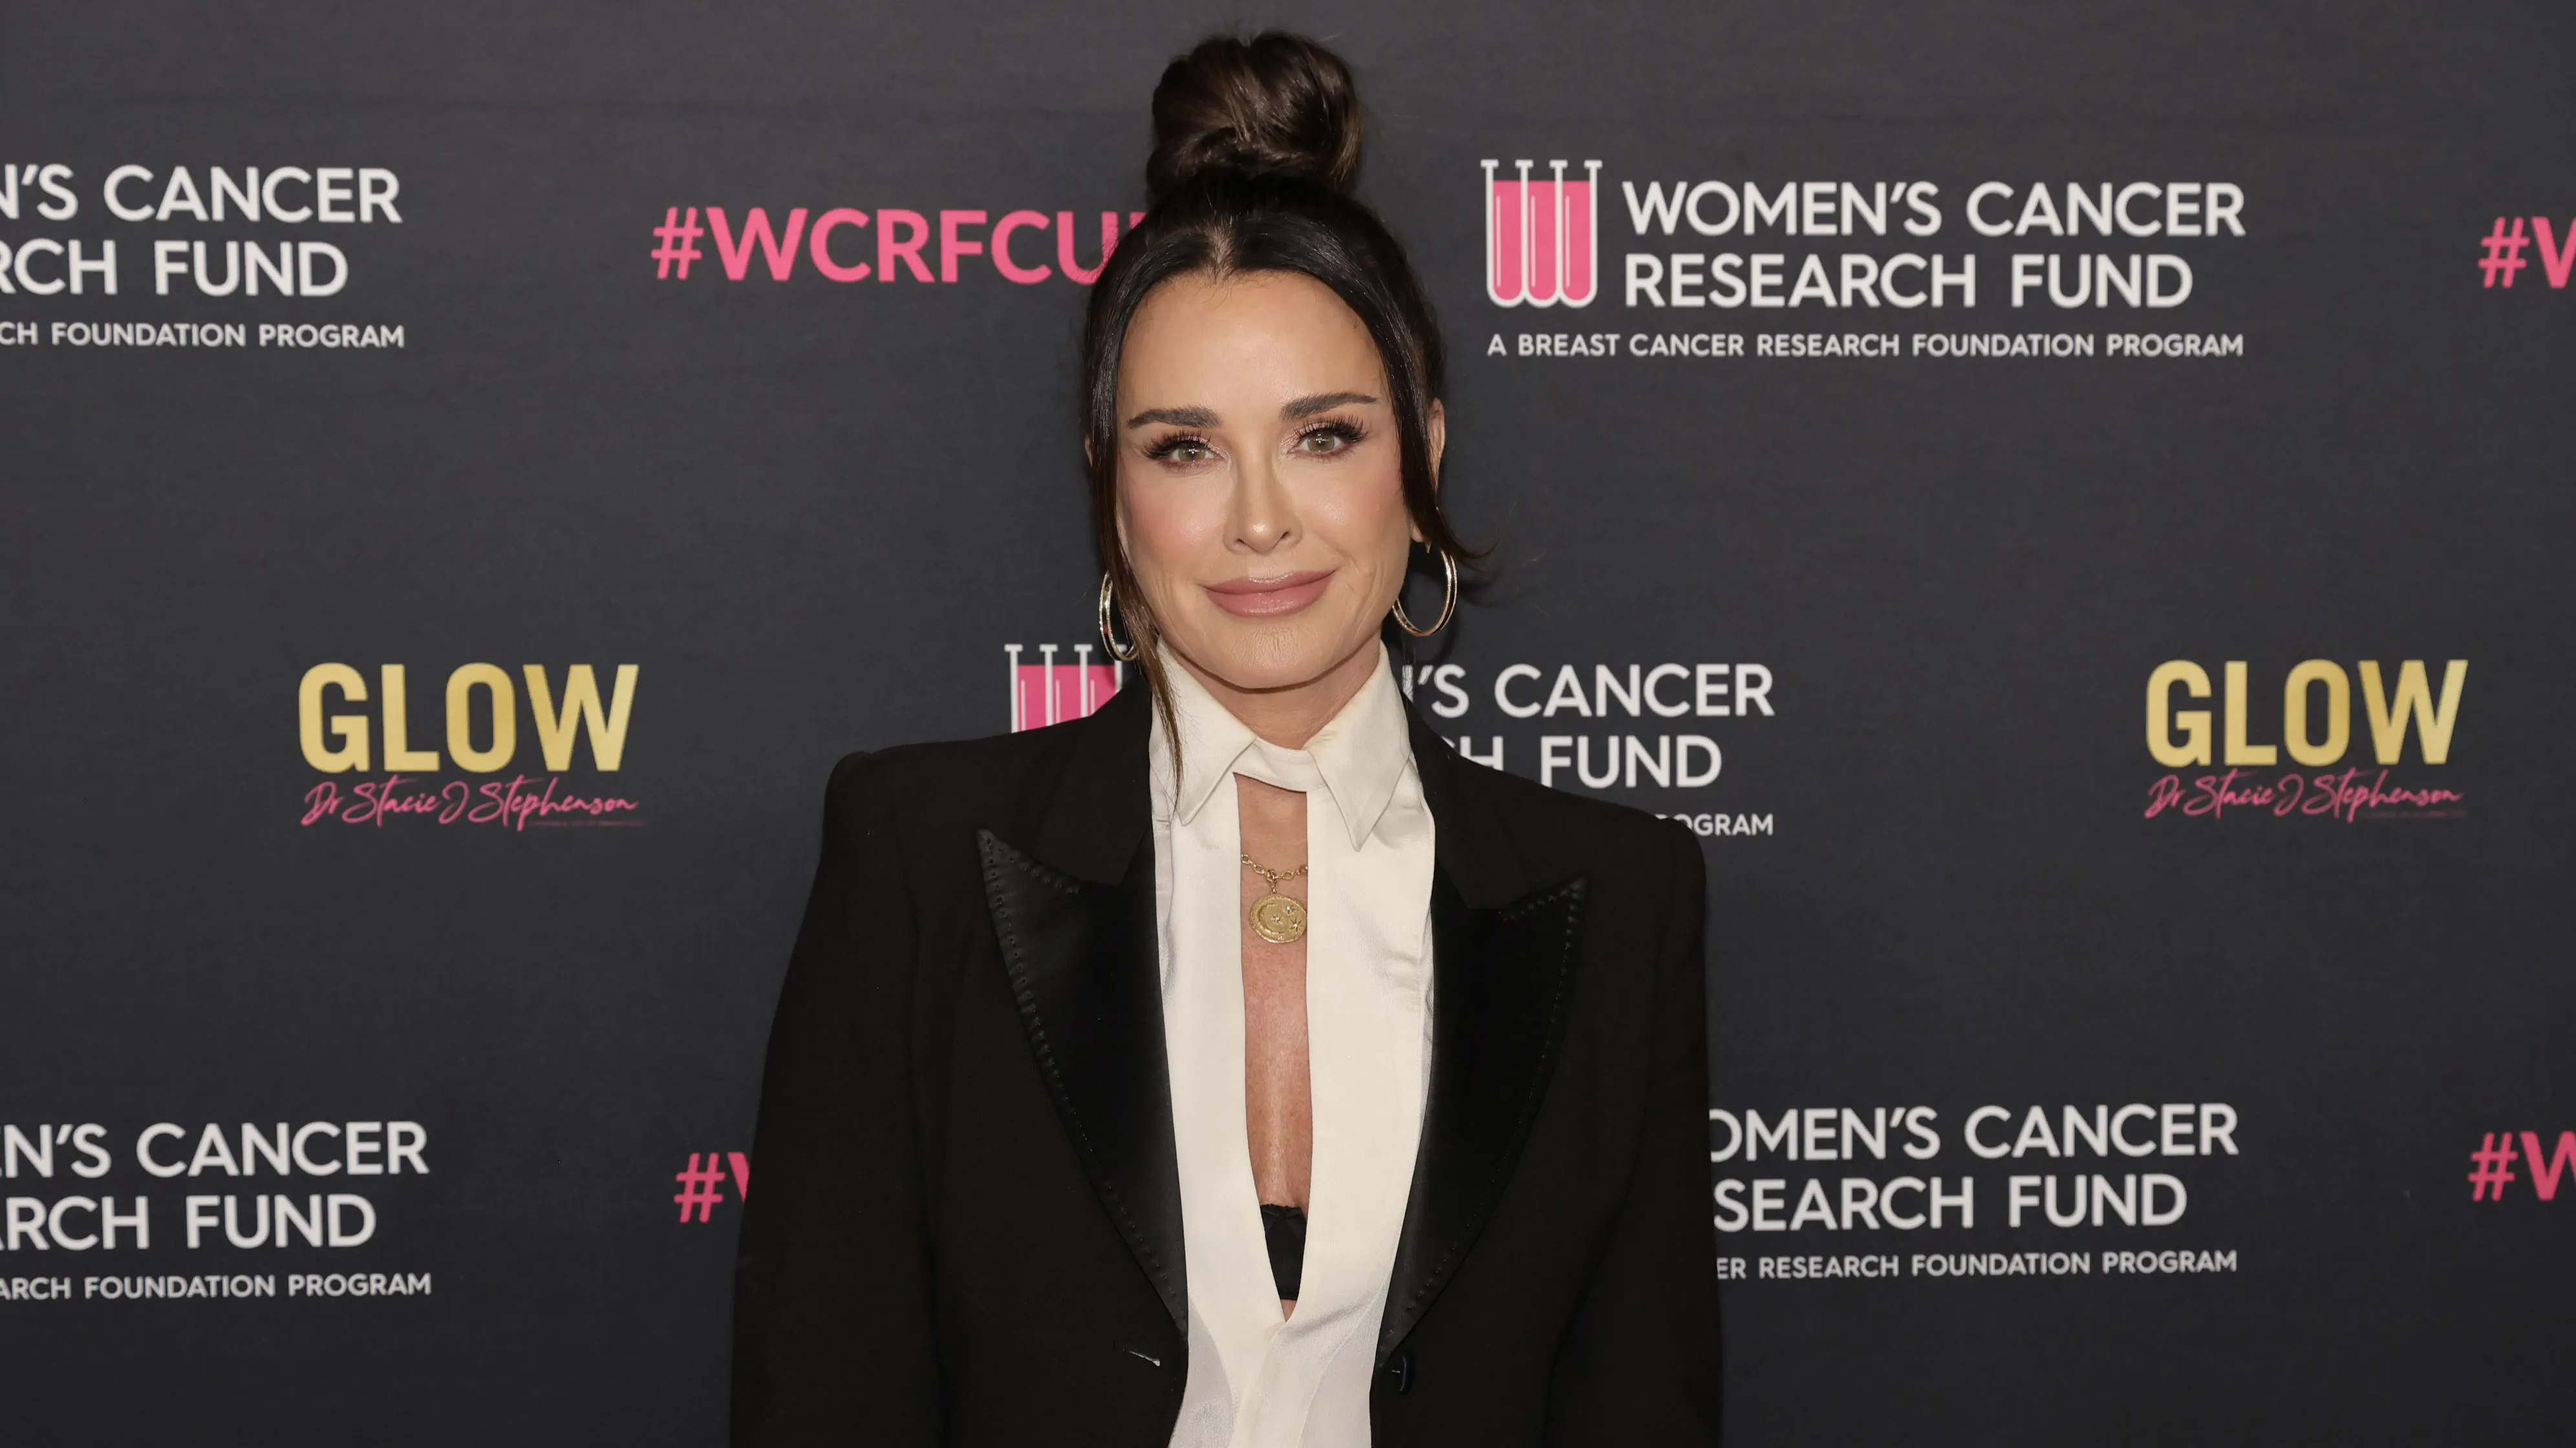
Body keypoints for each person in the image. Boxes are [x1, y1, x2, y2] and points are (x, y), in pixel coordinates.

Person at [731, 30, 1720, 1447]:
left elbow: (1640, 1401)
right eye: (1184, 447)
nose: (1260, 518)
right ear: (1110, 486)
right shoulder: (920, 861)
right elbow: (821, 1389)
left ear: (1422, 453)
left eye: (1324, 435)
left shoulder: (1621, 898)